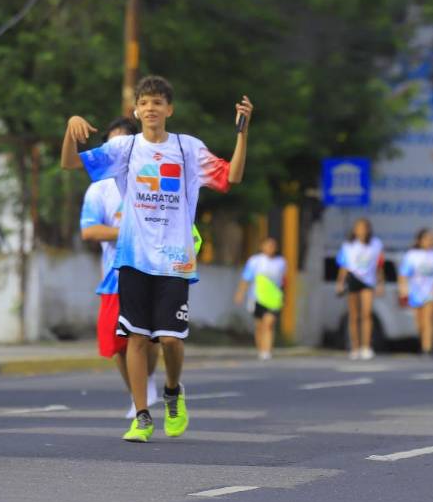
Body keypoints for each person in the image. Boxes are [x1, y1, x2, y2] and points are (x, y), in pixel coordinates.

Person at [61, 76, 251, 443]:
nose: (151, 108)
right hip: (133, 258)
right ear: (136, 110)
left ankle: (173, 391)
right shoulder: (125, 149)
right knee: (135, 338)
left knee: (170, 340)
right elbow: (70, 163)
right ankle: (142, 415)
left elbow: (233, 175)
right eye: (145, 102)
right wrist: (71, 128)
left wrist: (242, 133)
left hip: (175, 260)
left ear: (169, 110)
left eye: (158, 102)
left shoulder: (187, 148)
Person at [79, 116, 160, 415]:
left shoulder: (150, 179)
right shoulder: (99, 189)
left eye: (124, 144)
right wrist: (130, 230)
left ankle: (147, 386)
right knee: (116, 347)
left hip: (150, 271)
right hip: (113, 279)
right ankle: (138, 396)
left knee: (147, 340)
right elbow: (89, 231)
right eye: (112, 146)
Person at [335, 218, 384, 361]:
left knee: (366, 314)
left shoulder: (376, 244)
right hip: (353, 278)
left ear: (368, 229)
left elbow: (379, 265)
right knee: (354, 315)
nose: (361, 231)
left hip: (368, 281)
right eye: (358, 228)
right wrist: (340, 282)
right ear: (355, 230)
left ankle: (366, 346)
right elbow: (344, 266)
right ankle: (355, 347)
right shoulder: (348, 246)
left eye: (364, 228)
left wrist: (380, 283)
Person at [235, 237, 286, 361]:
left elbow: (284, 281)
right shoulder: (255, 261)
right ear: (262, 247)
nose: (270, 248)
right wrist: (240, 293)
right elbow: (246, 278)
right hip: (257, 297)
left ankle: (267, 351)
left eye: (273, 246)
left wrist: (284, 296)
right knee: (259, 325)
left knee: (268, 324)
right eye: (268, 245)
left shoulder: (281, 262)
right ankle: (261, 348)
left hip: (273, 299)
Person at [397, 229, 433, 357]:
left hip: (431, 292)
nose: (429, 241)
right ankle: (423, 344)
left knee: (428, 320)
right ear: (420, 240)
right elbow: (403, 274)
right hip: (415, 292)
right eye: (426, 239)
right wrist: (403, 290)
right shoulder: (412, 255)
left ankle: (427, 348)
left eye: (431, 239)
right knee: (420, 323)